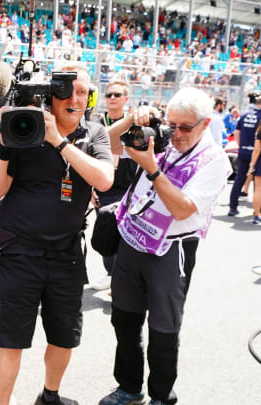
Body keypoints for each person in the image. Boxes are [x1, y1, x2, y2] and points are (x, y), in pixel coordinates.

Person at [0, 64, 114, 405]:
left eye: (83, 92)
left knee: (64, 336)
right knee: (11, 339)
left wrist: (58, 141)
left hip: (67, 254)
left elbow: (104, 179)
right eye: (65, 91)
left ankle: (50, 396)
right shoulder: (24, 130)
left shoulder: (95, 133)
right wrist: (5, 144)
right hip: (19, 253)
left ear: (91, 97)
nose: (75, 99)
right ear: (50, 96)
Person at [99, 88, 231, 405]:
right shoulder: (162, 137)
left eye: (186, 127)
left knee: (163, 329)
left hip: (171, 250)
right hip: (132, 240)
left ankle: (161, 395)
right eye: (173, 125)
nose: (178, 134)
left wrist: (152, 167)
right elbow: (106, 144)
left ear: (205, 123)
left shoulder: (215, 160)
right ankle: (129, 387)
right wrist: (134, 118)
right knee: (124, 319)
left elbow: (184, 209)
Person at [91, 80, 135, 291]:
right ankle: (111, 274)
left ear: (126, 99)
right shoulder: (98, 124)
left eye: (117, 94)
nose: (112, 98)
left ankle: (122, 279)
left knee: (127, 235)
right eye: (109, 95)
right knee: (106, 231)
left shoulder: (134, 124)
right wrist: (90, 186)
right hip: (105, 187)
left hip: (129, 186)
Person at [228, 92, 261, 217]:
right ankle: (257, 211)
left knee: (239, 178)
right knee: (258, 184)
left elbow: (237, 132)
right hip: (257, 153)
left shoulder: (244, 115)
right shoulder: (260, 116)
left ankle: (232, 207)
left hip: (243, 150)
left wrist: (240, 145)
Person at [248, 126, 261, 224]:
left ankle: (256, 215)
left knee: (258, 190)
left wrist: (252, 165)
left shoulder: (259, 131)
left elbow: (257, 150)